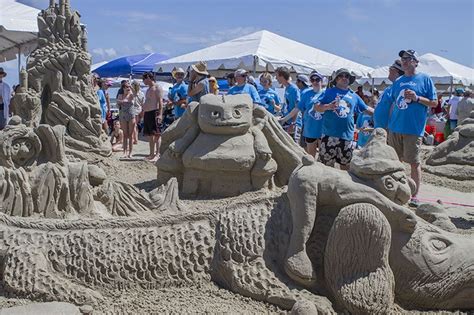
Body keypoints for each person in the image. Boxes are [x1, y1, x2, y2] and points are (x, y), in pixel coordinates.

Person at [379, 49, 437, 207]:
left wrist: (417, 98)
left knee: (413, 163)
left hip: (413, 129)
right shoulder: (398, 81)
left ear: (416, 62)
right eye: (402, 58)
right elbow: (391, 105)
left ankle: (415, 196)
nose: (404, 60)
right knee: (395, 162)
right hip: (395, 128)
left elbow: (434, 103)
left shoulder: (424, 79)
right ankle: (397, 191)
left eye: (408, 58)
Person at [314, 68, 374, 170]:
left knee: (346, 168)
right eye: (341, 76)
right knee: (326, 168)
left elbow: (366, 108)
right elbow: (317, 107)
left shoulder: (354, 95)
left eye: (347, 76)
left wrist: (383, 115)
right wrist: (328, 106)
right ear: (336, 79)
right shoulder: (328, 92)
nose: (344, 78)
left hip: (347, 137)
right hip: (329, 135)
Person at [298, 71, 325, 156]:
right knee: (310, 156)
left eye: (317, 79)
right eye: (312, 80)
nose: (315, 82)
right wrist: (285, 119)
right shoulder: (306, 93)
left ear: (321, 81)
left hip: (323, 129)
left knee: (323, 156)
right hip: (310, 129)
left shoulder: (326, 93)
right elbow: (298, 108)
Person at [373, 59, 404, 129]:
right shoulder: (390, 88)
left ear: (397, 72)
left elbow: (395, 109)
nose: (389, 70)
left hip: (388, 130)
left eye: (391, 68)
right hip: (380, 128)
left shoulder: (398, 88)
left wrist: (389, 128)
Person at [142, 72, 164, 162]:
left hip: (154, 112)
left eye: (144, 79)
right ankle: (151, 154)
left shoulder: (157, 87)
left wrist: (160, 114)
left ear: (148, 77)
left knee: (157, 135)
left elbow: (160, 102)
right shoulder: (148, 89)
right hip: (147, 113)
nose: (143, 81)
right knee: (150, 135)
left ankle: (157, 154)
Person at [276, 66, 300, 140]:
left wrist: (293, 123)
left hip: (293, 125)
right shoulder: (287, 88)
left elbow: (297, 108)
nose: (276, 78)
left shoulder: (294, 89)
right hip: (287, 123)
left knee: (294, 149)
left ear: (282, 76)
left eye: (277, 76)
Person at [117, 82, 136, 158]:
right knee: (125, 134)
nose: (128, 88)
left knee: (131, 135)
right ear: (123, 88)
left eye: (129, 87)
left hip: (131, 115)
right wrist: (121, 102)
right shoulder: (120, 95)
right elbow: (118, 103)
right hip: (123, 115)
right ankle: (124, 152)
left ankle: (130, 152)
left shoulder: (131, 94)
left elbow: (135, 94)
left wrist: (131, 87)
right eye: (126, 87)